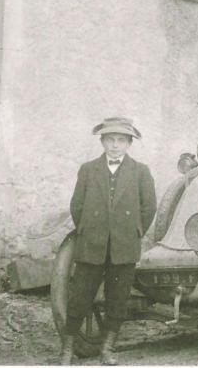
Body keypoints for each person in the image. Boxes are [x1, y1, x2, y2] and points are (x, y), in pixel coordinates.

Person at [61, 117, 156, 366]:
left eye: (121, 141)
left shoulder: (140, 171)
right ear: (102, 142)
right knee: (80, 296)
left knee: (118, 299)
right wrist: (88, 230)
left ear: (129, 144)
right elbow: (77, 205)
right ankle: (67, 350)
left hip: (124, 246)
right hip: (92, 243)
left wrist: (133, 232)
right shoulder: (88, 169)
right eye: (110, 140)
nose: (115, 145)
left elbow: (149, 208)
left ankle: (107, 349)